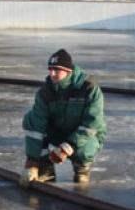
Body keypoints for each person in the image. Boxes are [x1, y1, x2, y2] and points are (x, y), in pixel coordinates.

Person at [21, 49, 106, 186]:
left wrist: (67, 147)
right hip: (58, 132)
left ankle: (81, 169)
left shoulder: (89, 89)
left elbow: (92, 124)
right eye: (50, 69)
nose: (52, 74)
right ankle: (45, 168)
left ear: (68, 71)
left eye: (57, 70)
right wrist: (32, 161)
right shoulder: (45, 92)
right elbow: (36, 126)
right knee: (31, 120)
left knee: (86, 148)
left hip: (84, 135)